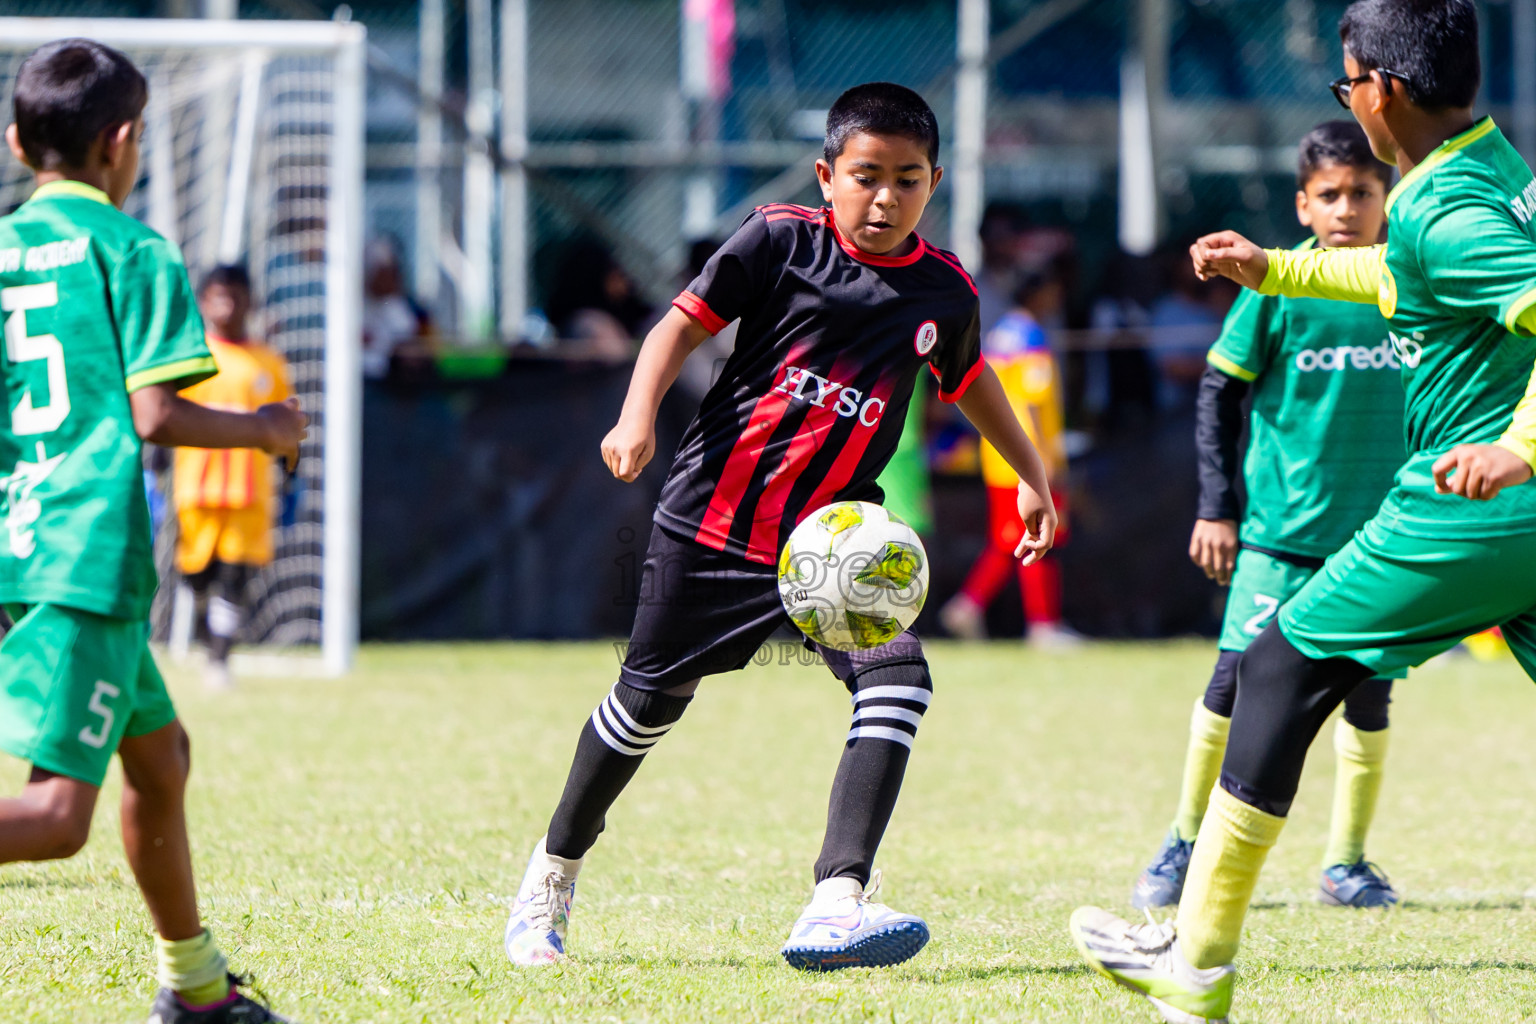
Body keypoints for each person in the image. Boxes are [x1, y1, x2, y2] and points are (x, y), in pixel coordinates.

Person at [503, 82, 1057, 972]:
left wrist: (1031, 473)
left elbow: (972, 378)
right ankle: (551, 875)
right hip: (712, 527)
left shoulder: (943, 291)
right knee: (644, 706)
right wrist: (635, 417)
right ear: (826, 174)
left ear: (935, 183)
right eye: (865, 176)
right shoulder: (777, 240)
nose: (884, 198)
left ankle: (837, 900)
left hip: (834, 543)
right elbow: (674, 330)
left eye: (907, 180)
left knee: (899, 680)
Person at [1071, 3, 1536, 1021]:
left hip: (1477, 508)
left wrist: (1520, 446)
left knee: (1277, 664)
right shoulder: (1488, 173)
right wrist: (1275, 268)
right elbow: (1411, 271)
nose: (1349, 102)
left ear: (1384, 91)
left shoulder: (1445, 203)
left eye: (1345, 83)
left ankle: (1193, 957)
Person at [0, 40, 307, 1023]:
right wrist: (266, 429)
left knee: (161, 756)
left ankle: (199, 989)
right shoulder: (133, 250)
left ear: (15, 143)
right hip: (87, 548)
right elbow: (155, 419)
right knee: (54, 819)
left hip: (22, 535)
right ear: (124, 141)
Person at [1130, 121, 1405, 917]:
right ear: (1303, 203)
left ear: (1386, 196)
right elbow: (1220, 390)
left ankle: (1345, 863)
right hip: (1280, 537)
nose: (1347, 208)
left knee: (1370, 695)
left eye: (1363, 191)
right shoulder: (1281, 286)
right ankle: (1184, 841)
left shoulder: (1405, 281)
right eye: (1330, 195)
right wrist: (1218, 508)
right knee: (1233, 683)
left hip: (1382, 536)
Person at [940, 267, 1076, 647]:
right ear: (1036, 293)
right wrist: (1043, 461)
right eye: (1052, 290)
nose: (1057, 299)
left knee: (1008, 539)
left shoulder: (1000, 333)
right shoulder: (1031, 336)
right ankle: (1044, 625)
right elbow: (1032, 402)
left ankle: (968, 606)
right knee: (1038, 537)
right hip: (1027, 458)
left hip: (998, 455)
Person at [172, 264, 293, 691]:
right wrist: (153, 476)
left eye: (235, 294)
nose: (227, 303)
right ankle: (210, 637)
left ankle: (220, 661)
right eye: (218, 295)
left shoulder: (268, 362)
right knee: (197, 576)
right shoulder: (190, 354)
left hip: (249, 489)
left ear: (250, 301)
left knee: (234, 575)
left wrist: (290, 478)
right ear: (204, 302)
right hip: (197, 487)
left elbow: (286, 428)